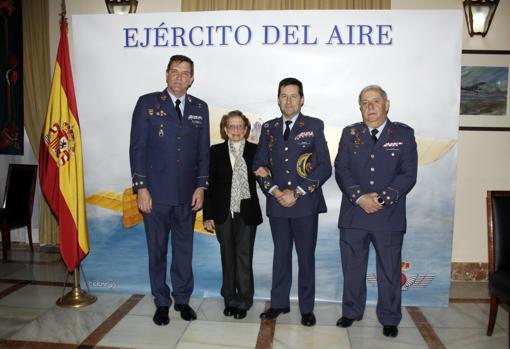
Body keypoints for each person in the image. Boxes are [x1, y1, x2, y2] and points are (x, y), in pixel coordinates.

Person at [129, 55, 210, 326]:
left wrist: (201, 186)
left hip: (187, 195)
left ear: (192, 78)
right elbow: (138, 148)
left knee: (184, 251)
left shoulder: (201, 108)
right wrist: (141, 188)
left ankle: (183, 300)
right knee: (158, 250)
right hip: (155, 195)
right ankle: (161, 302)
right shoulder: (147, 103)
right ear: (166, 74)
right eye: (174, 72)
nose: (178, 77)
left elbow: (202, 152)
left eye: (184, 73)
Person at [334, 85, 418, 337]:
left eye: (376, 101)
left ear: (387, 104)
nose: (370, 107)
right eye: (364, 102)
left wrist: (382, 198)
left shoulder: (403, 134)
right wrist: (359, 197)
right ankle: (351, 311)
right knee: (352, 268)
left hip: (388, 215)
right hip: (354, 214)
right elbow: (341, 169)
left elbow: (408, 174)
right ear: (359, 107)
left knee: (390, 271)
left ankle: (390, 317)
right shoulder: (350, 134)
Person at [253, 77, 332, 327]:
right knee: (281, 255)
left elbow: (324, 167)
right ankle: (279, 303)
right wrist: (276, 192)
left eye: (293, 95)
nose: (288, 100)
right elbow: (258, 165)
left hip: (305, 203)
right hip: (277, 203)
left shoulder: (314, 126)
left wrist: (296, 192)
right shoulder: (268, 128)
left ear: (302, 99)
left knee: (306, 256)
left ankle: (307, 308)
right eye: (284, 96)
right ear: (278, 99)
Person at [203, 111, 263, 320]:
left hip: (247, 212)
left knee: (244, 256)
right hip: (222, 212)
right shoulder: (215, 151)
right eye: (232, 126)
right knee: (227, 256)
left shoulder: (257, 151)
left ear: (246, 129)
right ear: (225, 129)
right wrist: (207, 214)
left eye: (240, 126)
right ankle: (229, 298)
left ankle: (244, 299)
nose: (236, 130)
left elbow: (267, 176)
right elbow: (208, 185)